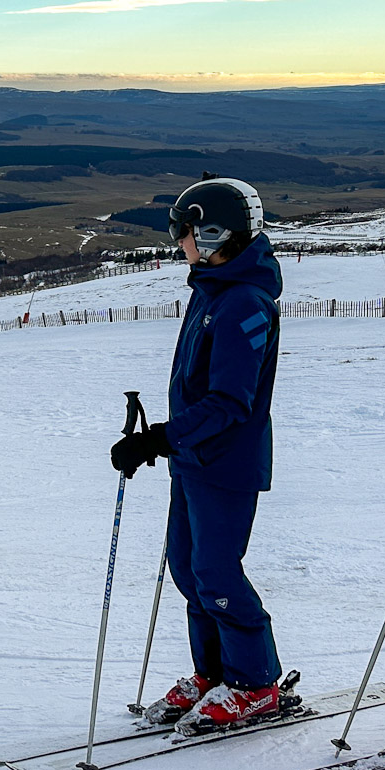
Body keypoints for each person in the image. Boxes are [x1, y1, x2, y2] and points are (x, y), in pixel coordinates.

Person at [110, 177, 286, 732]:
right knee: (187, 569)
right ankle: (213, 673)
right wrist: (166, 441)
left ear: (214, 233)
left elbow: (231, 402)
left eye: (183, 230)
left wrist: (159, 438)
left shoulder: (243, 303)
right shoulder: (211, 289)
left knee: (216, 571)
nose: (178, 241)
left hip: (226, 464)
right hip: (193, 460)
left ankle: (256, 683)